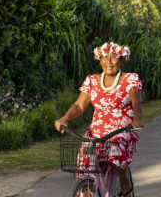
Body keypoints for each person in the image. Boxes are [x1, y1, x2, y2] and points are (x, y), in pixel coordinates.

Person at [55, 42, 143, 197]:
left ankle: (124, 181)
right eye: (104, 57)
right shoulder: (91, 80)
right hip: (97, 130)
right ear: (100, 59)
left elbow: (137, 102)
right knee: (86, 160)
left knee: (115, 153)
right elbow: (79, 105)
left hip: (122, 129)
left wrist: (137, 119)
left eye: (113, 57)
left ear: (122, 60)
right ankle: (87, 188)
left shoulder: (130, 79)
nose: (108, 61)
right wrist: (65, 117)